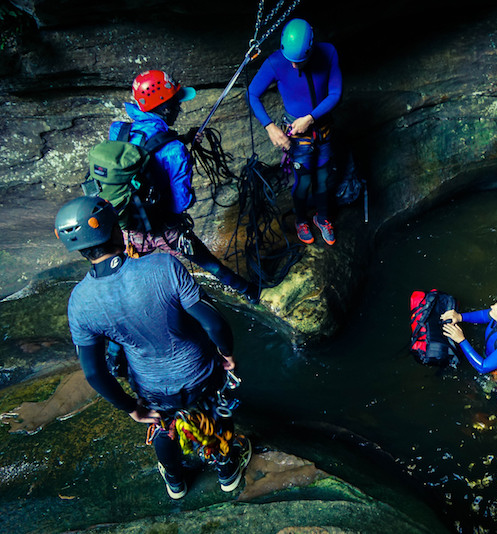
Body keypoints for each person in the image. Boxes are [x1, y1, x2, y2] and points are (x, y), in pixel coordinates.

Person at [55, 195, 252, 500]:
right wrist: (226, 353)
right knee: (215, 410)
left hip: (152, 386)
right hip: (200, 370)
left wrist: (131, 407)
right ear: (118, 232)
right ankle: (227, 471)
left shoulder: (79, 303)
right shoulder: (163, 266)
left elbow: (94, 373)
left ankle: (175, 482)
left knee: (162, 424)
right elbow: (214, 323)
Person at [116, 69, 260, 302]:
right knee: (208, 263)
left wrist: (182, 138)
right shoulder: (175, 151)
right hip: (165, 228)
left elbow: (148, 145)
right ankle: (250, 292)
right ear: (165, 108)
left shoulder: (121, 132)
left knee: (129, 274)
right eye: (176, 102)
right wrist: (182, 154)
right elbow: (180, 203)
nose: (180, 107)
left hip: (130, 227)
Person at [247, 18, 342, 246]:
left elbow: (335, 93)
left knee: (322, 177)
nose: (293, 66)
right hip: (298, 136)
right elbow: (252, 93)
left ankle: (321, 217)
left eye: (299, 61)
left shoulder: (327, 53)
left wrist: (310, 118)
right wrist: (269, 126)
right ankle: (301, 219)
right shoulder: (276, 62)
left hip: (322, 128)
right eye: (290, 60)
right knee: (303, 180)